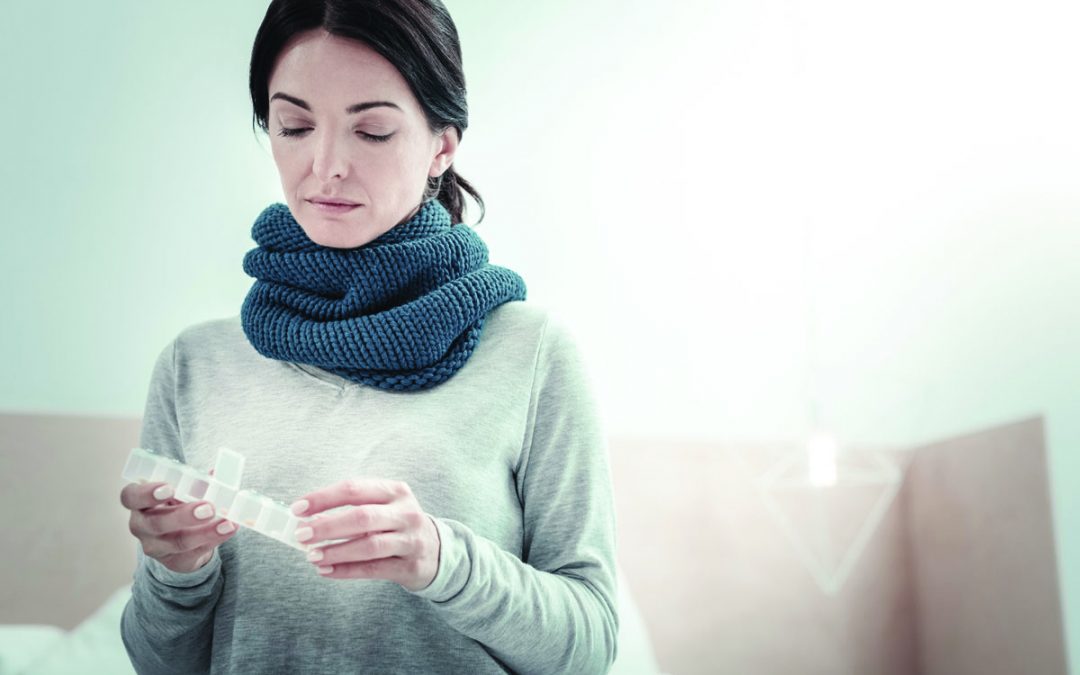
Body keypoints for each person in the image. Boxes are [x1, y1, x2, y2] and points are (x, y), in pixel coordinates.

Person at [118, 1, 619, 673]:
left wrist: (443, 561)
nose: (325, 166)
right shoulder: (195, 365)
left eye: (373, 131)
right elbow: (158, 661)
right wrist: (177, 570)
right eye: (295, 125)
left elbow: (589, 648)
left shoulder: (532, 355)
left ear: (442, 145)